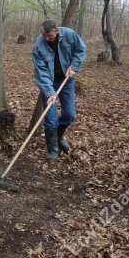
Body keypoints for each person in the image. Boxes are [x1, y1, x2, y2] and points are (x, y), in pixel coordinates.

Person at [32, 19, 86, 162]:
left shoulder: (69, 35)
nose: (46, 38)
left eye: (49, 36)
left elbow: (80, 49)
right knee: (50, 117)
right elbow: (40, 71)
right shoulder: (39, 45)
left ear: (57, 30)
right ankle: (53, 148)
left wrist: (74, 66)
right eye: (44, 35)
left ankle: (58, 136)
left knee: (69, 114)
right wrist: (50, 92)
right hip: (49, 82)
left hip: (67, 80)